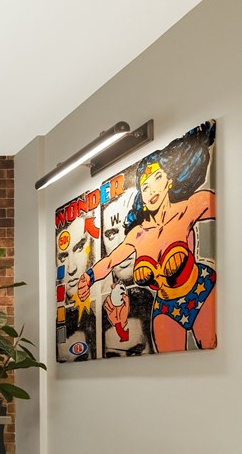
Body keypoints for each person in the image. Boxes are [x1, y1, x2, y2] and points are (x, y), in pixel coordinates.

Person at [77, 122, 216, 353]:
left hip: (200, 291)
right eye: (145, 187)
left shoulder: (187, 209)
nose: (151, 191)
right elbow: (111, 261)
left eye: (157, 179)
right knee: (169, 368)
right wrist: (89, 277)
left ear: (169, 180)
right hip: (166, 307)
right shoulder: (139, 234)